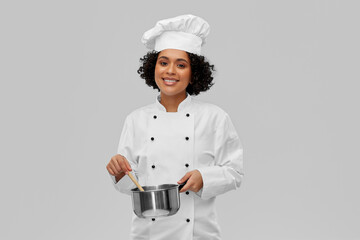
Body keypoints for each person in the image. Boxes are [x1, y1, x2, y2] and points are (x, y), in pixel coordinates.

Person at [106, 14, 244, 240]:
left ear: (194, 73)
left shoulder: (215, 118)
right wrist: (119, 170)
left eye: (181, 65)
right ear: (153, 67)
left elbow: (235, 172)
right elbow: (131, 187)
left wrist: (204, 177)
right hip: (147, 233)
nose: (170, 71)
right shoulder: (135, 120)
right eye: (163, 62)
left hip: (198, 234)